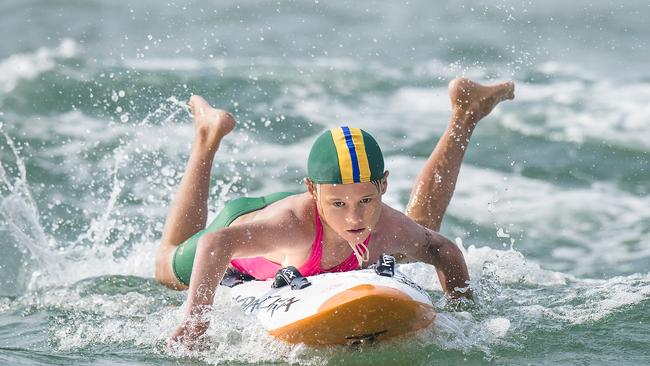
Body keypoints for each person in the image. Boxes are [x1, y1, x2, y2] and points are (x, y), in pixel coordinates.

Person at [155, 77, 515, 348]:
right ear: (312, 191)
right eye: (341, 205)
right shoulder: (291, 228)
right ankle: (207, 135)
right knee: (167, 266)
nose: (355, 219)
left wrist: (463, 313)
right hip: (245, 225)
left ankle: (465, 113)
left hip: (314, 206)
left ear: (383, 186)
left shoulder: (383, 223)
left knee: (418, 230)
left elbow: (442, 250)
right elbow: (216, 245)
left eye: (366, 201)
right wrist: (196, 323)